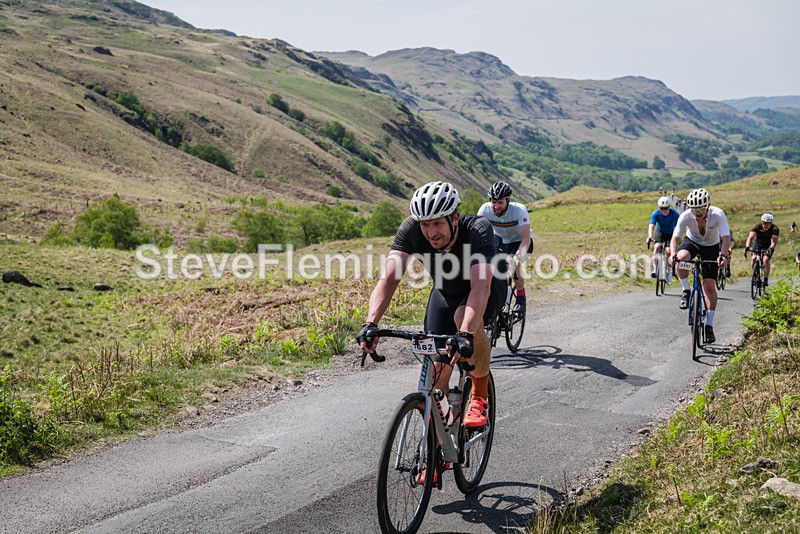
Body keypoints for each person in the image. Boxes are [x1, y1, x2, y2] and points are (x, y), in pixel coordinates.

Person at [357, 181, 504, 430]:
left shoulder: (478, 229)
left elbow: (480, 287)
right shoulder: (411, 230)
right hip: (445, 292)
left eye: (437, 223)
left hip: (485, 290)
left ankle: (480, 394)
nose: (431, 232)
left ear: (455, 218)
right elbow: (389, 279)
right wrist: (371, 322)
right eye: (425, 224)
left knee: (463, 318)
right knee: (435, 380)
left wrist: (466, 333)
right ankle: (440, 441)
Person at [668, 188, 731, 344]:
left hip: (711, 246)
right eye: (694, 209)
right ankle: (686, 290)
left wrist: (723, 255)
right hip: (693, 242)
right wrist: (673, 255)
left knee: (709, 287)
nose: (697, 213)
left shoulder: (718, 214)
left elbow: (725, 237)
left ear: (708, 206)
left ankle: (709, 325)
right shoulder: (685, 216)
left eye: (701, 209)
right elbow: (675, 238)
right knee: (681, 258)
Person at [477, 181, 533, 312]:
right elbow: (476, 234)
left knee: (514, 264)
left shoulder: (519, 210)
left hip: (520, 242)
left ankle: (521, 297)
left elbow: (526, 238)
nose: (496, 206)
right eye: (494, 202)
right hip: (500, 242)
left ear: (508, 200)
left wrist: (518, 256)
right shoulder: (485, 210)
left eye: (500, 202)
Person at [646, 196, 679, 280]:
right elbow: (652, 225)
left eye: (666, 208)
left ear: (669, 207)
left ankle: (669, 270)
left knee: (668, 251)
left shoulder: (675, 214)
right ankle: (654, 268)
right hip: (660, 232)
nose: (664, 211)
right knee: (657, 247)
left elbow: (677, 228)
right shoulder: (656, 214)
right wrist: (650, 236)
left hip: (671, 233)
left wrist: (676, 240)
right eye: (661, 209)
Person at [744, 213, 780, 287]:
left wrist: (771, 248)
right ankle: (755, 275)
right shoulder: (757, 226)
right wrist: (747, 246)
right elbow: (750, 237)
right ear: (761, 222)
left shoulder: (775, 229)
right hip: (758, 244)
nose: (765, 225)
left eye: (768, 224)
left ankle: (765, 279)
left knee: (765, 260)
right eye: (764, 223)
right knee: (754, 258)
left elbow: (773, 241)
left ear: (771, 223)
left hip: (768, 245)